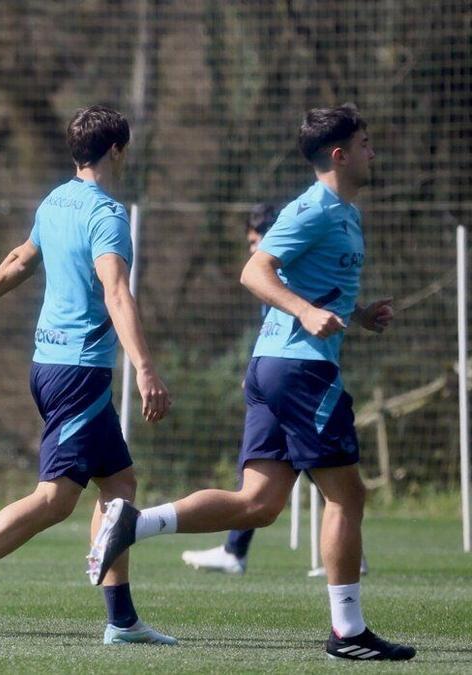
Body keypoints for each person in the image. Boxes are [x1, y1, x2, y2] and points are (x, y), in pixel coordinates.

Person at [88, 105, 414, 661]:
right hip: (300, 369)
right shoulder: (311, 209)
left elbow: (313, 284)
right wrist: (307, 313)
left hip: (280, 367)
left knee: (259, 504)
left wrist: (356, 314)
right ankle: (349, 633)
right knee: (348, 494)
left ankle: (135, 525)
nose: (372, 152)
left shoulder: (347, 213)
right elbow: (254, 271)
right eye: (364, 143)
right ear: (339, 154)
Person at [0, 105, 176, 646]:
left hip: (52, 365)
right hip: (79, 372)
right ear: (117, 151)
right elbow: (115, 292)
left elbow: (19, 259)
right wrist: (145, 367)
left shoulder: (56, 200)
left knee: (120, 486)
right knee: (56, 499)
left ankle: (122, 621)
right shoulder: (107, 215)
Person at [180, 203, 277, 575]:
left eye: (256, 241)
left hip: (287, 383)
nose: (252, 250)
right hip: (272, 378)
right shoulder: (273, 275)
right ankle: (234, 549)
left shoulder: (279, 273)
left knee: (260, 479)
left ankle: (141, 524)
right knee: (325, 476)